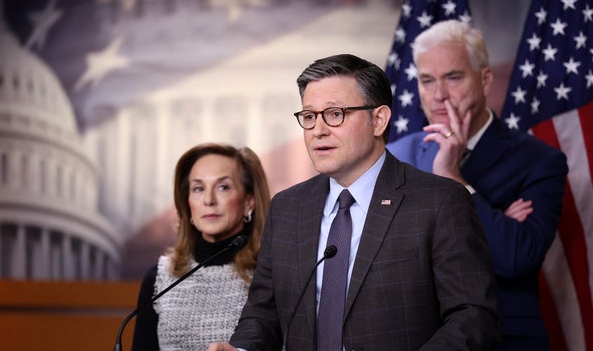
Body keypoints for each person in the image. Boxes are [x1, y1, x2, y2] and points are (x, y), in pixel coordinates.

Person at [208, 54, 500, 351]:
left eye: (335, 114)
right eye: (309, 117)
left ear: (379, 120)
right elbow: (262, 314)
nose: (318, 130)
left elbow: (473, 316)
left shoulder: (438, 202)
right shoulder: (287, 208)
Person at [387, 20, 569, 350]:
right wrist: (496, 222)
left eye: (453, 77)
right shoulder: (396, 157)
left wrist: (454, 180)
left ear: (485, 80)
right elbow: (384, 259)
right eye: (427, 81)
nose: (438, 95)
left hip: (504, 341)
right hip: (416, 340)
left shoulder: (540, 161)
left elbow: (515, 257)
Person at [131, 143, 271, 351]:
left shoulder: (271, 275)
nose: (208, 200)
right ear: (187, 203)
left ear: (249, 201)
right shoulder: (159, 278)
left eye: (223, 187)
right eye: (198, 188)